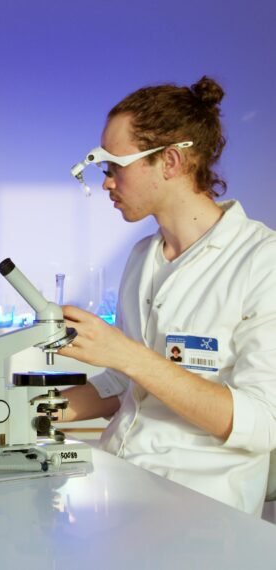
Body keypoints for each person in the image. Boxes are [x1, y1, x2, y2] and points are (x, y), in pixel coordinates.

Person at [57, 76, 276, 515]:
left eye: (114, 166)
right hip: (120, 486)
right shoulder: (144, 256)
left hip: (198, 513)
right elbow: (126, 385)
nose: (107, 183)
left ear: (171, 161)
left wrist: (126, 354)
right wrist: (23, 410)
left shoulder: (262, 262)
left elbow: (262, 425)